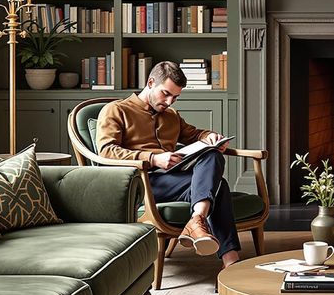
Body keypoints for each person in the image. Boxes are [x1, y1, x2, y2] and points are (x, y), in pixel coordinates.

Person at [95, 61, 240, 267]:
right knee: (219, 187)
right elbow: (107, 151)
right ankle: (230, 260)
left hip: (171, 180)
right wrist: (152, 158)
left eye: (175, 97)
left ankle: (197, 221)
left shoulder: (171, 116)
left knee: (213, 156)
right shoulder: (116, 110)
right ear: (151, 82)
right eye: (166, 94)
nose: (170, 101)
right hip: (139, 183)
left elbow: (195, 134)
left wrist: (210, 137)